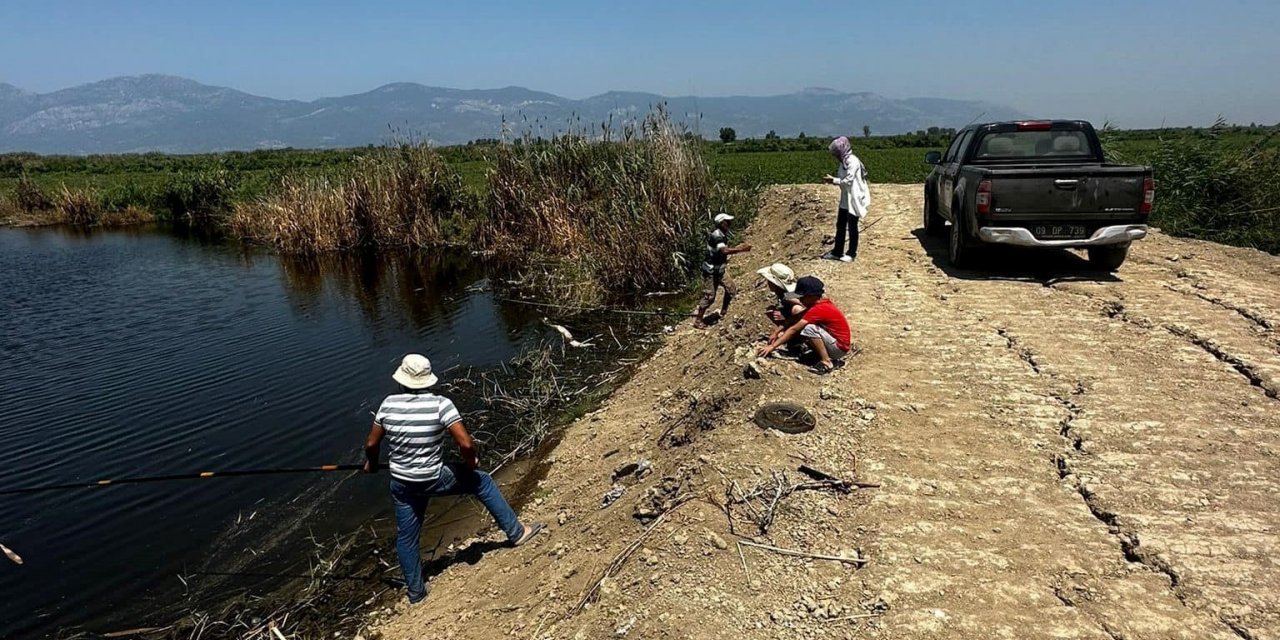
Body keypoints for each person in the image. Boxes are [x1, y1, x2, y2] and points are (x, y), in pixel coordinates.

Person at [362, 354, 544, 604]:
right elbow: (466, 443)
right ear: (427, 380)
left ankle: (416, 593)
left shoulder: (388, 404)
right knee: (481, 481)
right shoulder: (441, 404)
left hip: (402, 481)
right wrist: (471, 464)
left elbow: (372, 443)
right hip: (433, 477)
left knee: (406, 536)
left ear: (402, 379)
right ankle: (517, 532)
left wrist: (371, 463)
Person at [757, 276, 852, 373]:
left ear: (812, 296)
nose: (800, 299)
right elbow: (794, 319)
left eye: (802, 297)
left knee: (809, 328)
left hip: (839, 348)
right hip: (835, 344)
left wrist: (772, 347)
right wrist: (776, 332)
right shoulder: (817, 304)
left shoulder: (819, 309)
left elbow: (794, 329)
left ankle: (827, 362)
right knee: (804, 325)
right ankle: (817, 354)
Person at [694, 213, 752, 328]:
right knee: (710, 297)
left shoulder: (722, 234)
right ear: (721, 223)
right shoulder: (717, 236)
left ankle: (724, 311)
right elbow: (724, 251)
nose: (729, 224)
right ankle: (698, 320)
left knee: (731, 289)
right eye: (727, 222)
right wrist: (741, 249)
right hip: (711, 271)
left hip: (720, 270)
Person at [822, 136, 871, 262]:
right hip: (846, 198)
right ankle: (837, 251)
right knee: (841, 225)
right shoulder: (844, 162)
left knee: (852, 226)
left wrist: (833, 180)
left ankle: (851, 253)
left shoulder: (852, 161)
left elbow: (848, 181)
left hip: (854, 197)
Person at [757, 262, 806, 345]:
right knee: (772, 311)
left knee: (796, 310)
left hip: (803, 322)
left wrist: (777, 331)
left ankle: (796, 339)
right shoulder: (782, 293)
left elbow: (803, 310)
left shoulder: (789, 296)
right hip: (794, 320)